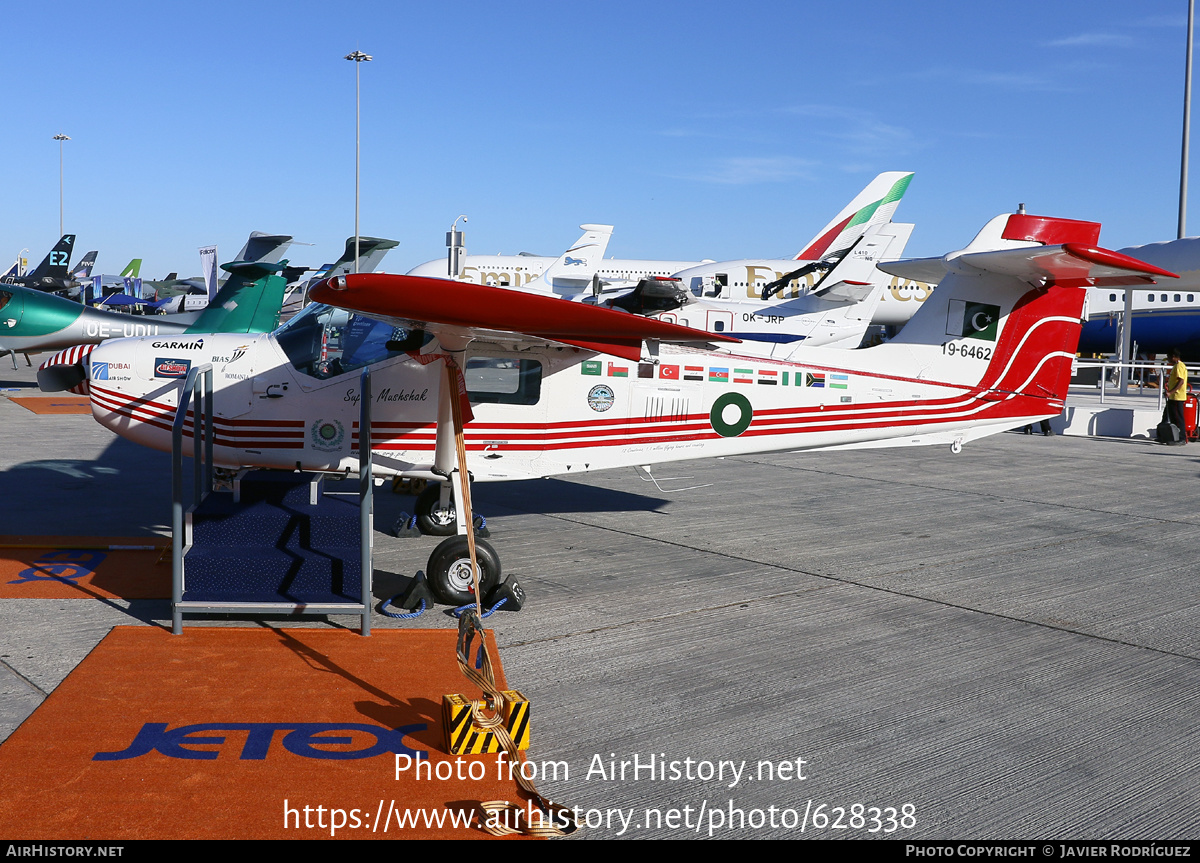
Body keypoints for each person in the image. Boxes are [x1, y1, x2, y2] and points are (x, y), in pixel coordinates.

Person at [1162, 348, 1188, 443]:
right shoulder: (1175, 366)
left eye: (1168, 357)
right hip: (1173, 397)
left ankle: (1181, 438)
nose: (1168, 359)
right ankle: (1171, 436)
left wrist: (1171, 392)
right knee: (1169, 417)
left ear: (1173, 356)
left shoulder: (1179, 366)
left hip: (1177, 397)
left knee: (1178, 418)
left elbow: (1181, 381)